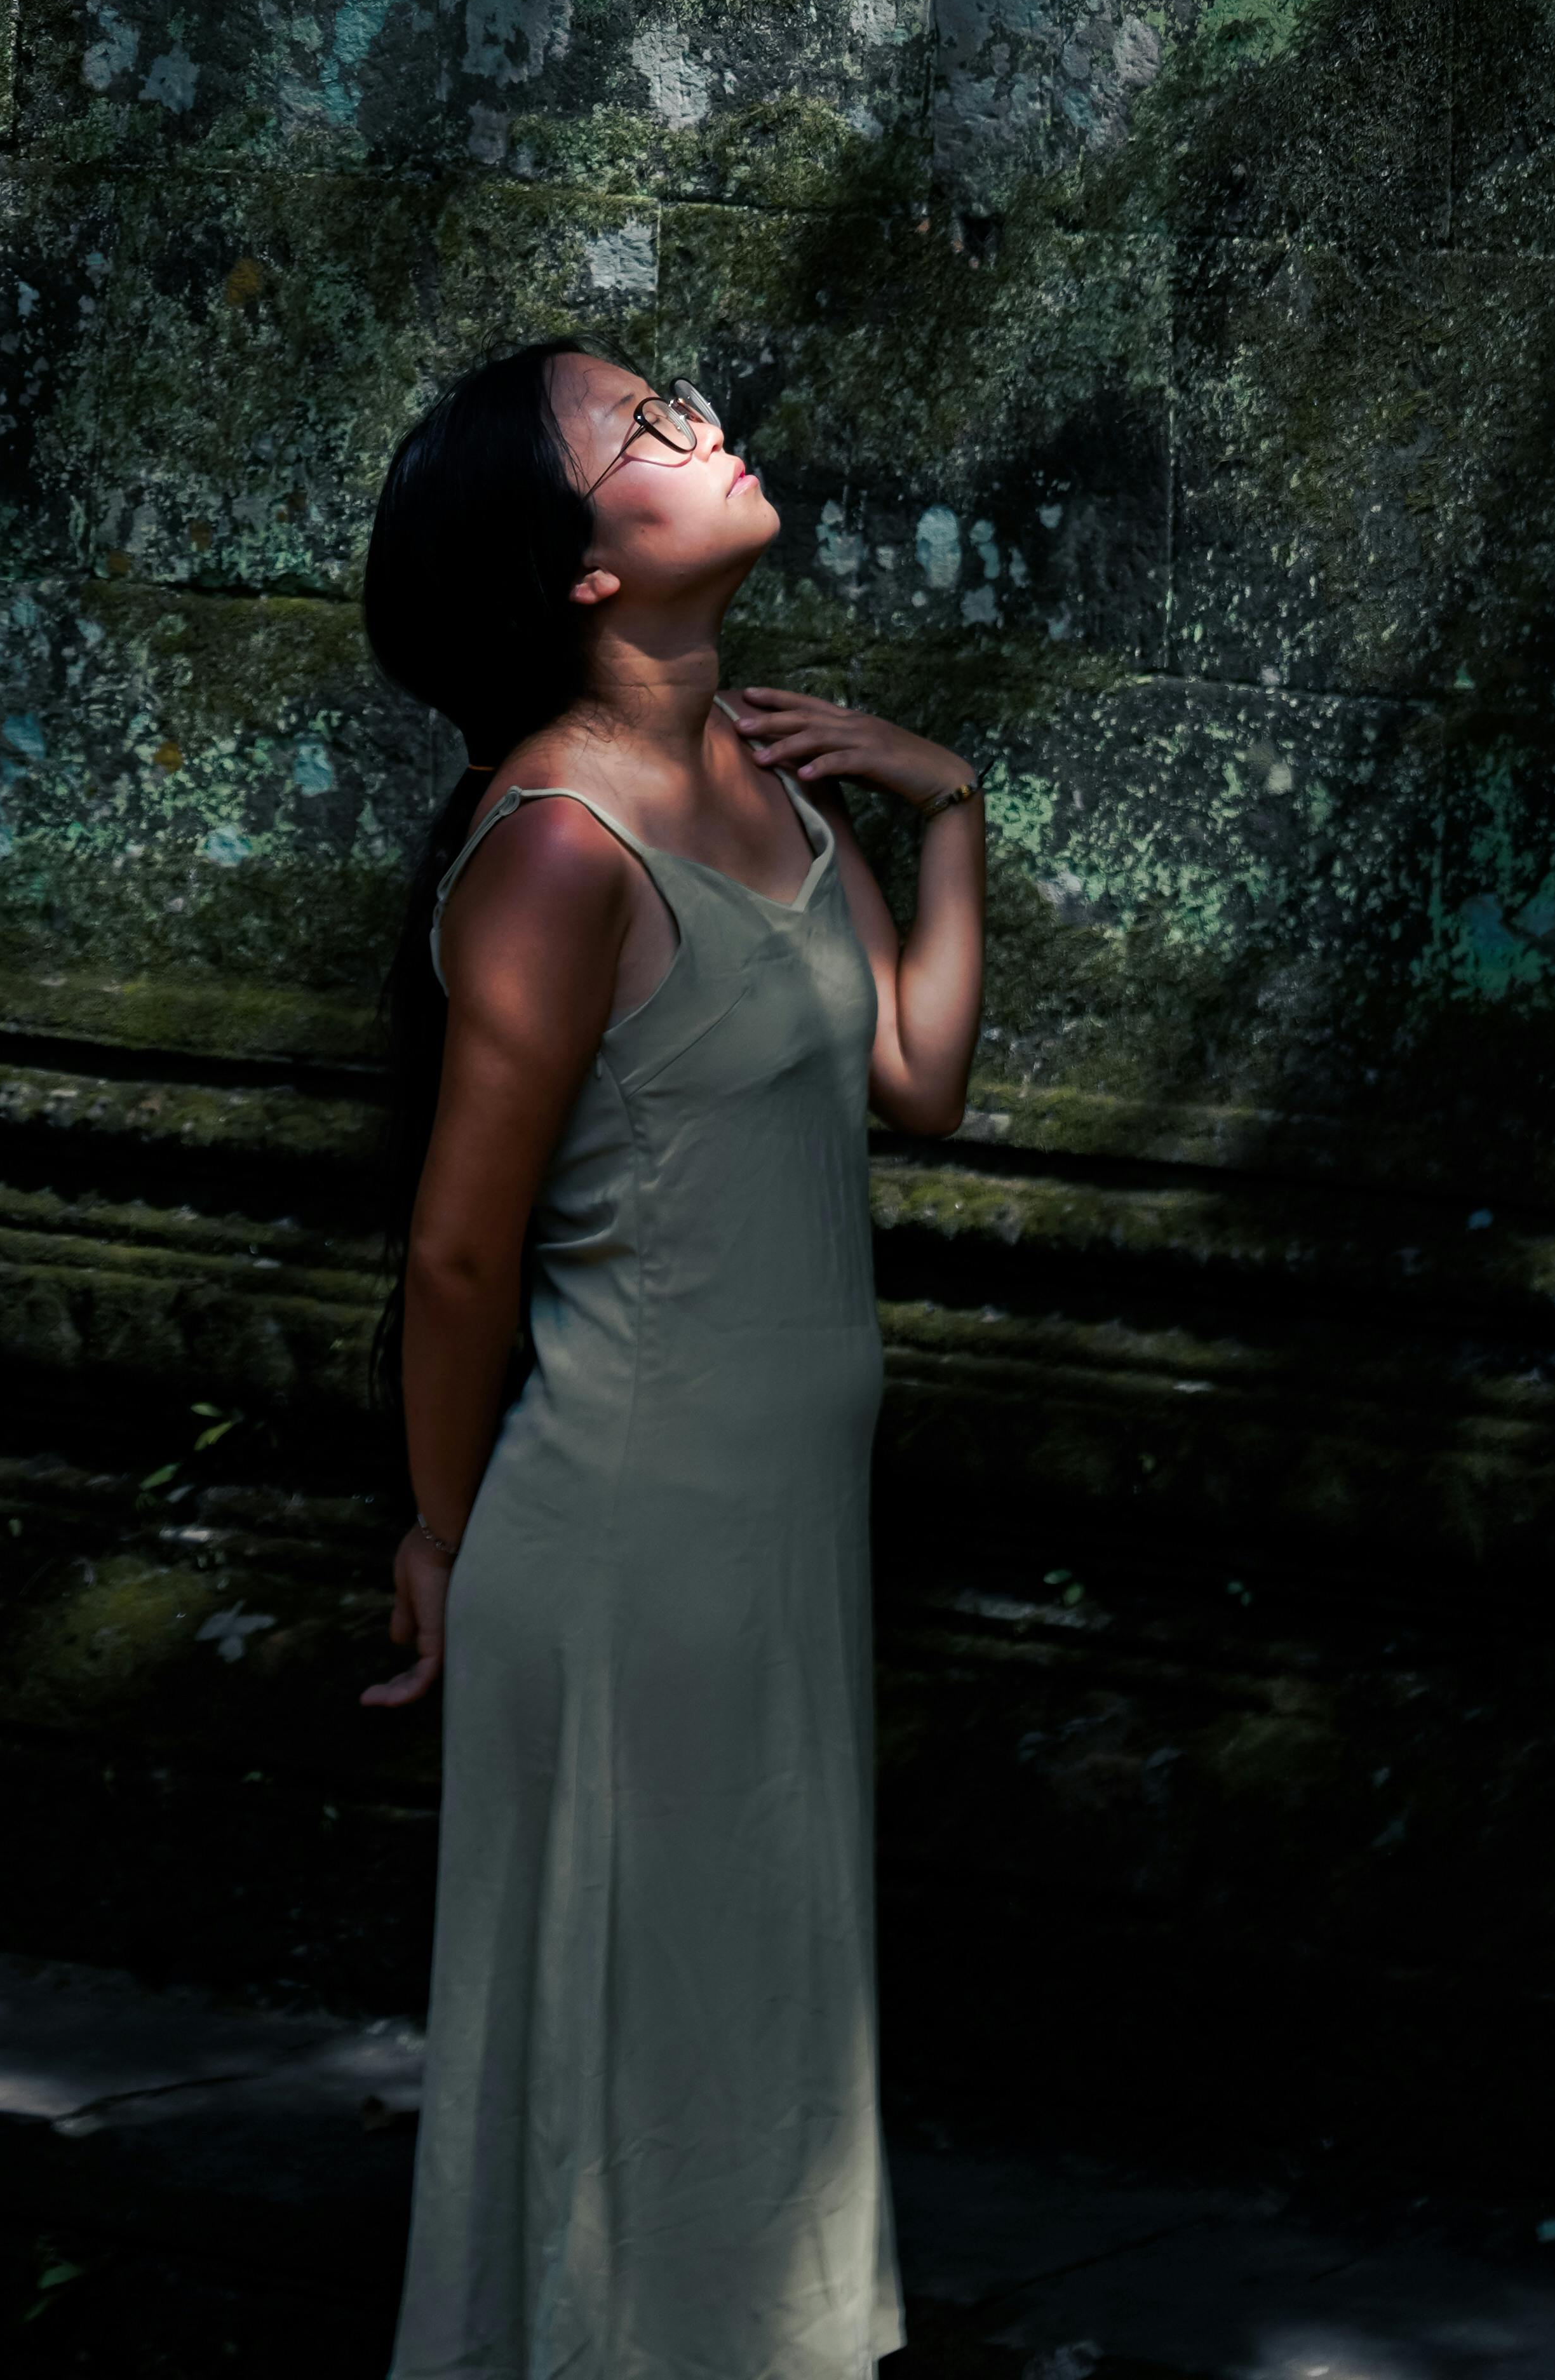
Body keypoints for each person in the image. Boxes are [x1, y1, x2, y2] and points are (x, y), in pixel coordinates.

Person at [358, 339, 988, 2380]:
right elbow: (459, 1257)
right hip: (625, 1558)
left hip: (778, 1556)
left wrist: (950, 806)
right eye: (644, 432)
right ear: (578, 572)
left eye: (684, 401)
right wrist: (442, 1537)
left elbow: (917, 1086)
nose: (707, 428)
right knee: (645, 2121)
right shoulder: (556, 848)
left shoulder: (776, 785)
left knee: (755, 2104)